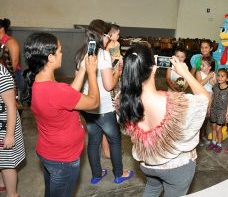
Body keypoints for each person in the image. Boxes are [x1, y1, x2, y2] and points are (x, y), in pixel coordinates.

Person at [119, 43, 210, 197]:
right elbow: (205, 100)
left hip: (147, 163)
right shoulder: (175, 103)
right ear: (154, 69)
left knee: (153, 187)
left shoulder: (124, 100)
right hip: (175, 169)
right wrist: (186, 73)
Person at [23, 32, 99, 197]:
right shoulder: (57, 90)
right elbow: (93, 102)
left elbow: (67, 96)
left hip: (49, 152)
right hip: (63, 159)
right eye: (60, 50)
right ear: (50, 57)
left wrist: (83, 71)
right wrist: (92, 73)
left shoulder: (38, 83)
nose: (62, 54)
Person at [76, 20, 133, 184]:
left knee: (94, 141)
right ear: (102, 35)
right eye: (108, 35)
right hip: (104, 107)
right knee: (115, 140)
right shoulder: (103, 54)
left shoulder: (81, 53)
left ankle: (96, 175)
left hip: (88, 106)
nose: (109, 39)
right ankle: (118, 174)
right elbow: (109, 85)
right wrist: (118, 72)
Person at [0, 44, 25, 197]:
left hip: (5, 128)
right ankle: (2, 184)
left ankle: (12, 194)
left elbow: (11, 107)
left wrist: (9, 135)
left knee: (8, 164)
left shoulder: (1, 75)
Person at [102, 23, 123, 159]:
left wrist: (120, 60)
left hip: (117, 72)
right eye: (117, 34)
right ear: (111, 34)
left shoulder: (118, 44)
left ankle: (116, 113)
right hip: (111, 72)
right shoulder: (108, 46)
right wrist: (116, 60)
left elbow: (119, 55)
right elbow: (108, 60)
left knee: (118, 95)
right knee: (111, 97)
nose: (118, 36)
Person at [207, 68, 228, 153]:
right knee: (214, 128)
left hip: (222, 112)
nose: (219, 78)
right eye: (218, 75)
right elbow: (212, 97)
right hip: (213, 110)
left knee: (219, 129)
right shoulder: (215, 87)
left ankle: (219, 144)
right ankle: (213, 142)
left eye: (222, 76)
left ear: (227, 78)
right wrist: (209, 108)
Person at [0, 18, 24, 103]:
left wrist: (6, 79)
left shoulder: (11, 42)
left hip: (13, 76)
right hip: (3, 76)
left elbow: (14, 62)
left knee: (13, 105)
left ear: (2, 28)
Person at [196, 56, 216, 146]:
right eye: (201, 64)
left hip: (209, 99)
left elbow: (213, 85)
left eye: (203, 65)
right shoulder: (198, 73)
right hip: (201, 98)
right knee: (200, 118)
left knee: (206, 118)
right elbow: (200, 84)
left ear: (209, 67)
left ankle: (203, 135)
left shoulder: (213, 74)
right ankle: (198, 137)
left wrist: (211, 77)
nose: (201, 66)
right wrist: (208, 77)